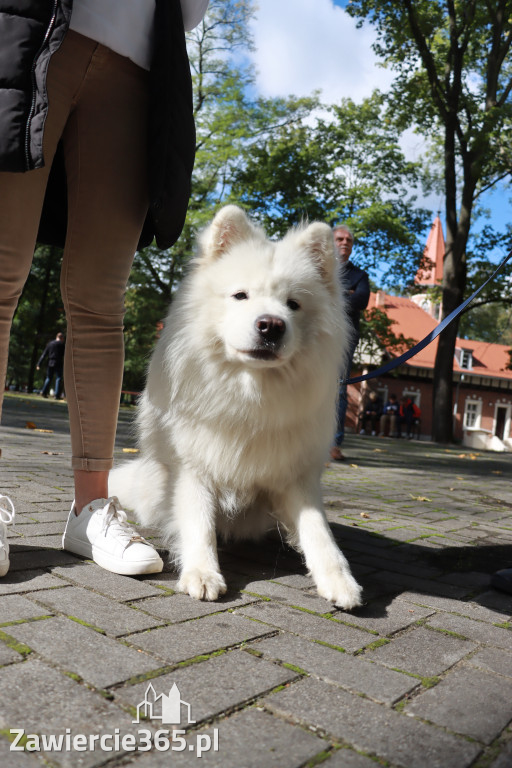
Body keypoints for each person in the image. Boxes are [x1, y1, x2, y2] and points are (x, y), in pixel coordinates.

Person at [0, 0, 210, 577]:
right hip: (32, 25)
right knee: (0, 281)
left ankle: (90, 508)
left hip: (140, 63)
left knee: (100, 303)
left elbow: (191, 10)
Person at [330, 225, 370, 461]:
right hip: (313, 335)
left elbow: (361, 300)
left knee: (339, 390)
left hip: (344, 339)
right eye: (340, 238)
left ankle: (334, 444)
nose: (345, 242)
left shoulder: (359, 276)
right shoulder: (316, 267)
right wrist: (347, 293)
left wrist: (331, 295)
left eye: (349, 240)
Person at [37, 332, 66, 399]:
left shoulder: (50, 344)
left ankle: (44, 392)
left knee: (48, 377)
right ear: (61, 338)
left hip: (50, 362)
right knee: (58, 378)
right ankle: (56, 395)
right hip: (58, 362)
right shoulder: (62, 344)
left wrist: (39, 364)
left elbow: (44, 354)